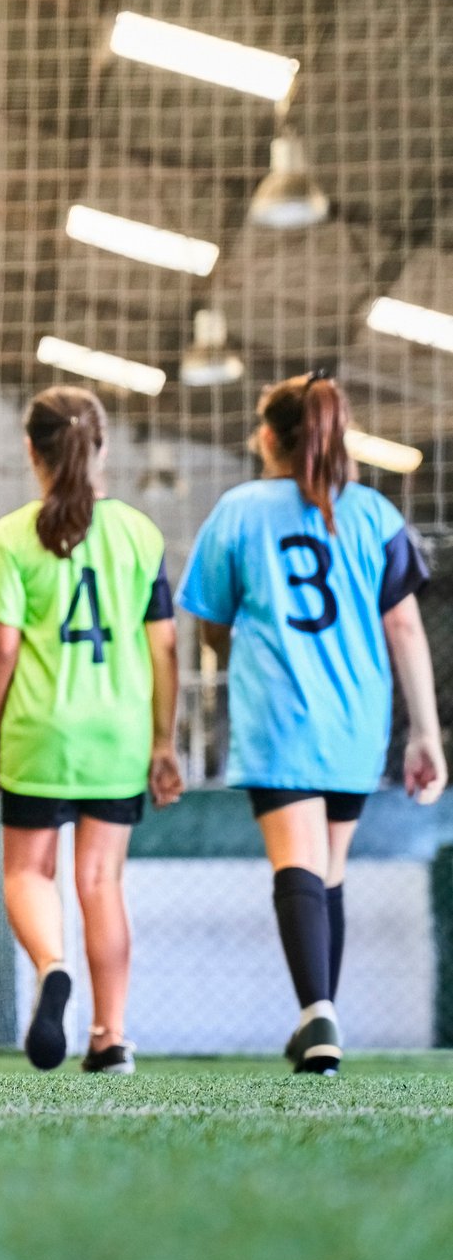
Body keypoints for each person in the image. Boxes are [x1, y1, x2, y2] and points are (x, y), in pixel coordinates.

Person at [179, 371, 442, 1075]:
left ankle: (316, 1012)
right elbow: (405, 629)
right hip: (356, 720)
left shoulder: (238, 511)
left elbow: (210, 624)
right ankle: (320, 1015)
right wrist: (425, 733)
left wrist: (235, 644)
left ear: (268, 437)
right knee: (328, 869)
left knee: (297, 863)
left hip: (278, 714)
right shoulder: (374, 514)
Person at [0, 386, 183, 1074]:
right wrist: (162, 741)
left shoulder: (12, 536)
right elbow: (164, 646)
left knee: (28, 872)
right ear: (101, 448)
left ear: (30, 450)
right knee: (100, 881)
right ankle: (110, 1036)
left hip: (40, 730)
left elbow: (1, 650)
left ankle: (50, 965)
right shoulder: (139, 533)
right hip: (118, 734)